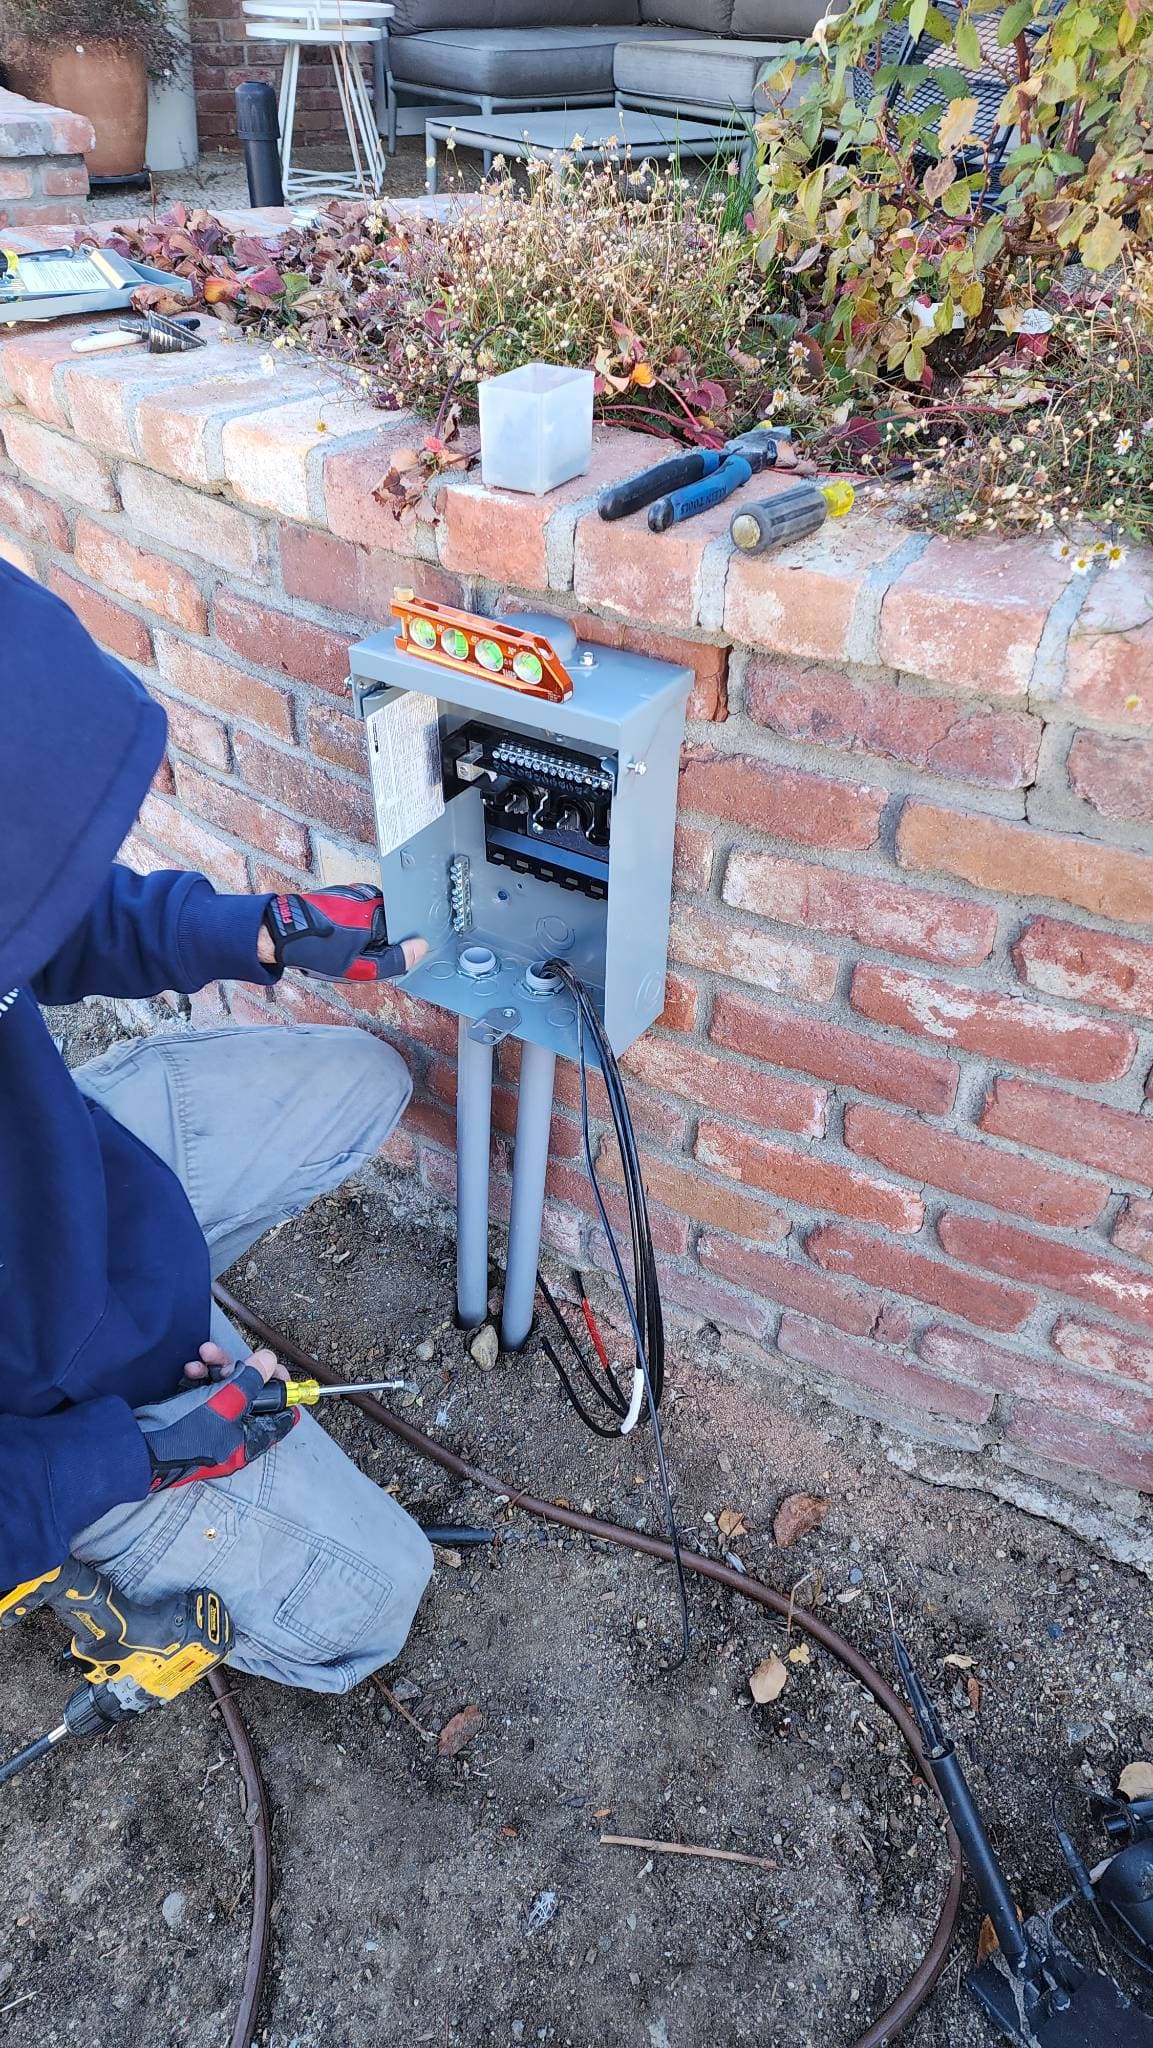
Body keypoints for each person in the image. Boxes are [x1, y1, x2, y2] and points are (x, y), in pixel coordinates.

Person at [0, 557, 434, 1694]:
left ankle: (163, 1311)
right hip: (56, 1417)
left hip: (77, 1187)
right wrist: (138, 1452)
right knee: (383, 1595)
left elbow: (35, 908)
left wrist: (261, 932)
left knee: (366, 1081)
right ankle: (93, 1572)